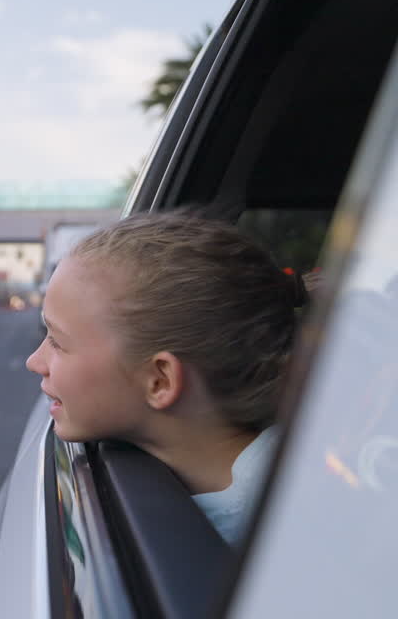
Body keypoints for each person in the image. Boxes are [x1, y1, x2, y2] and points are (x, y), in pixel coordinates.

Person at [26, 211, 308, 545]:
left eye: (57, 341)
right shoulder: (300, 467)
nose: (34, 362)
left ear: (159, 381)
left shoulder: (276, 531)